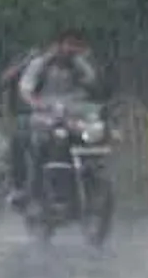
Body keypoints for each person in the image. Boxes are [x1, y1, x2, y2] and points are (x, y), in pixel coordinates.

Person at [7, 28, 105, 206]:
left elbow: (94, 84)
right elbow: (25, 90)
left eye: (76, 45)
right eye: (69, 44)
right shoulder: (40, 64)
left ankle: (86, 183)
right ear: (57, 45)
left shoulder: (79, 64)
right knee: (36, 143)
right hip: (45, 115)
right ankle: (30, 188)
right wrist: (37, 103)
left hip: (73, 116)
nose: (72, 49)